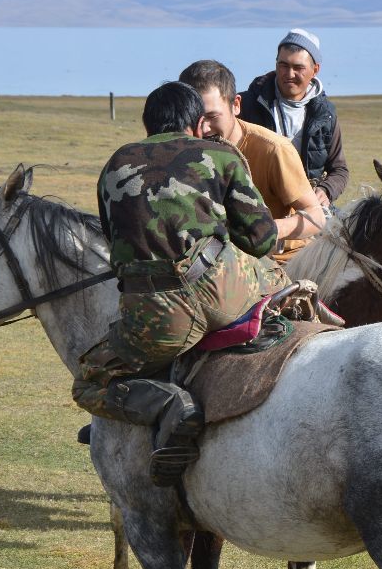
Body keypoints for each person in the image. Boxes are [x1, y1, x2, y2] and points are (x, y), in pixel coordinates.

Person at [72, 81, 288, 484]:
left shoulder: (116, 164)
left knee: (88, 381)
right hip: (228, 294)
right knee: (279, 275)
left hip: (156, 319)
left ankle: (168, 402)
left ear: (147, 123)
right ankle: (306, 317)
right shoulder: (221, 154)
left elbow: (117, 243)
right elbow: (263, 240)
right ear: (196, 122)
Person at [179, 59, 327, 259]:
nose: (203, 129)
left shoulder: (274, 149)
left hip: (277, 263)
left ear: (236, 105)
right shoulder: (179, 150)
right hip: (208, 266)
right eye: (195, 119)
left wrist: (267, 231)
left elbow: (316, 216)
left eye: (212, 117)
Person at [238, 28, 349, 209]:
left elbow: (339, 170)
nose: (289, 74)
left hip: (308, 208)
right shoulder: (246, 105)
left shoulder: (325, 114)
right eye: (283, 65)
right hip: (256, 208)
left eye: (298, 68)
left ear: (315, 69)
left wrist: (326, 190)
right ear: (276, 64)